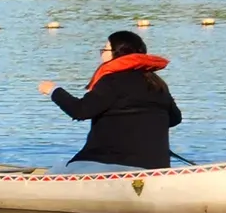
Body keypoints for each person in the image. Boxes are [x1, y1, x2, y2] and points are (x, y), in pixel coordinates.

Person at [39, 30, 181, 168]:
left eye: (105, 49)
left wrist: (54, 90)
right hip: (157, 165)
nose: (102, 54)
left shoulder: (112, 81)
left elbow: (80, 111)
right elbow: (175, 118)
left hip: (110, 163)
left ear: (118, 52)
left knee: (57, 169)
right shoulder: (157, 83)